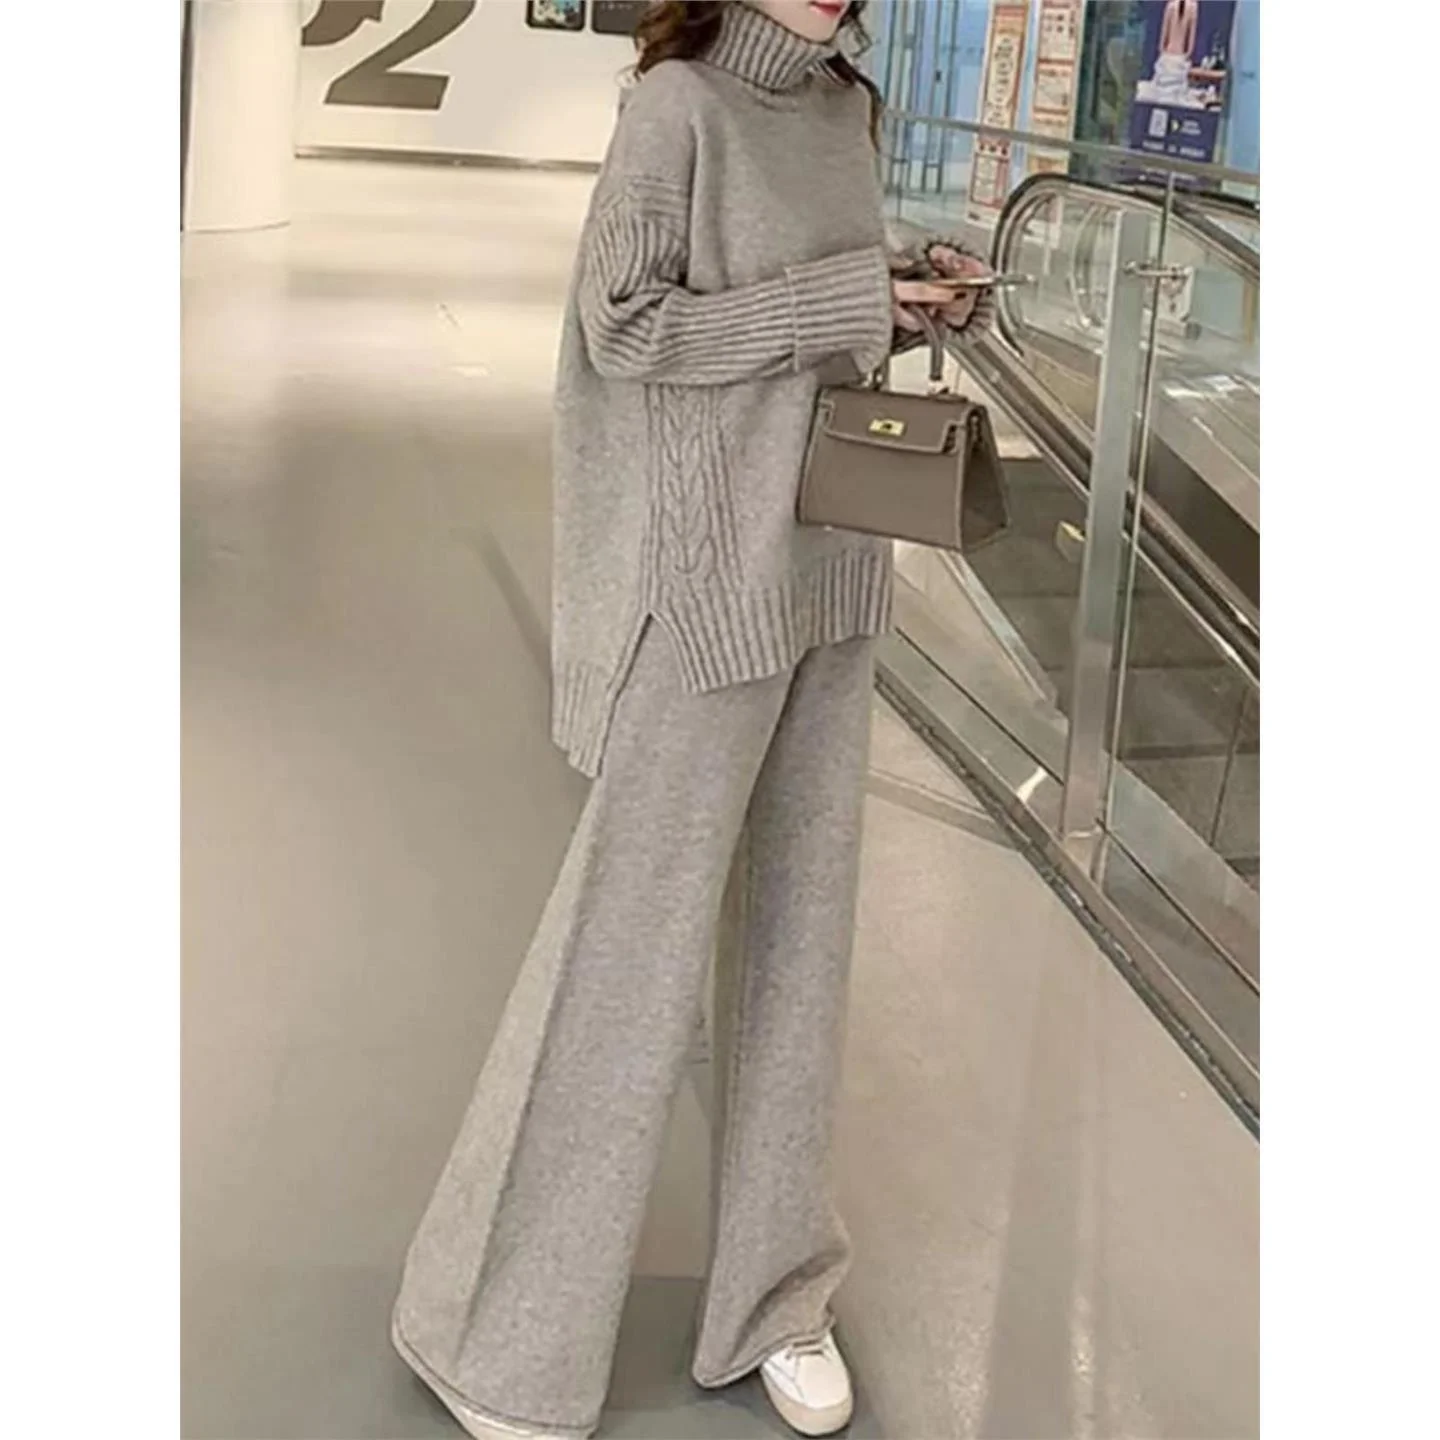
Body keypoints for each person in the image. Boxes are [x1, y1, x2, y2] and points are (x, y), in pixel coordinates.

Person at [389, 4, 995, 1437]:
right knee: (623, 966)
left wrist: (910, 297)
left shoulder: (844, 109)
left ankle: (777, 1298)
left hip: (834, 562)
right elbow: (627, 326)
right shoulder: (677, 109)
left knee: (802, 951)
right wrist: (844, 299)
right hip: (705, 581)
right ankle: (497, 1335)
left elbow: (820, 320)